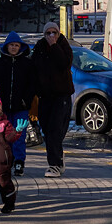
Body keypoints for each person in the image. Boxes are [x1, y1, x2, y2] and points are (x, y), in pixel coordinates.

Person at [0, 31, 39, 176]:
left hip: (21, 107)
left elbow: (32, 85)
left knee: (19, 135)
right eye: (11, 45)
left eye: (16, 45)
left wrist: (25, 100)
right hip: (2, 108)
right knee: (4, 135)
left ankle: (19, 162)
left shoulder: (28, 64)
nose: (14, 48)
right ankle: (7, 161)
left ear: (20, 47)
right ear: (6, 46)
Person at [32, 21, 75, 178]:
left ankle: (54, 165)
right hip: (45, 96)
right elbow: (34, 69)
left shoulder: (63, 46)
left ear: (58, 33)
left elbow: (64, 63)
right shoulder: (39, 48)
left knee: (56, 131)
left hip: (61, 96)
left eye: (54, 32)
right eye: (48, 33)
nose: (51, 36)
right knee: (47, 130)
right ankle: (58, 160)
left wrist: (55, 46)